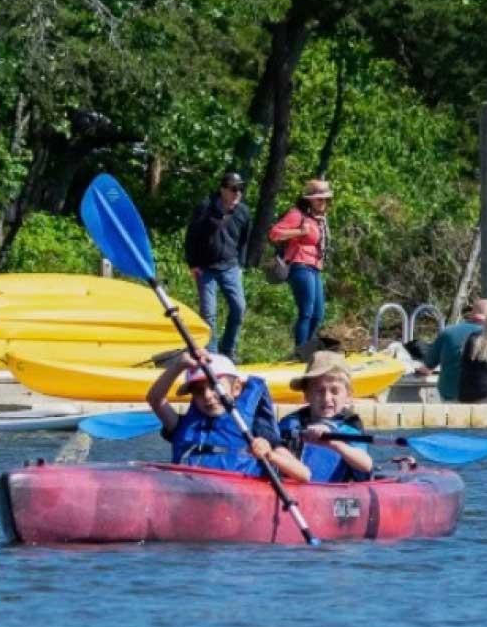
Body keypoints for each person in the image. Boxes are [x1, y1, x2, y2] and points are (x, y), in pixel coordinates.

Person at [147, 351, 308, 480]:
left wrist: (269, 454)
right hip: (189, 503)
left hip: (235, 505)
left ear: (236, 388)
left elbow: (304, 474)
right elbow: (155, 399)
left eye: (214, 386)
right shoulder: (181, 425)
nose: (207, 396)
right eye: (199, 391)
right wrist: (179, 365)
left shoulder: (254, 429)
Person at [278, 350, 373, 482]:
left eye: (335, 391)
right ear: (307, 395)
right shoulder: (289, 424)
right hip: (292, 489)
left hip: (336, 491)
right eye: (319, 391)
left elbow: (366, 465)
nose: (327, 398)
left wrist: (332, 443)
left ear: (348, 395)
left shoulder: (349, 429)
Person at [184, 171, 250, 359]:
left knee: (239, 307)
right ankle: (211, 353)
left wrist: (241, 264)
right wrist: (193, 264)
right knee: (208, 313)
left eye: (241, 188)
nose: (238, 193)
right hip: (205, 268)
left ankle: (228, 348)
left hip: (231, 266)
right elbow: (191, 236)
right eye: (234, 189)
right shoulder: (205, 207)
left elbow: (244, 240)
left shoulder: (243, 211)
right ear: (223, 190)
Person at [268, 178, 332, 349]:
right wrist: (299, 231)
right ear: (310, 200)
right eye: (320, 199)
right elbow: (274, 233)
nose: (323, 202)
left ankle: (307, 348)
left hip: (315, 267)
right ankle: (301, 350)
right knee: (307, 312)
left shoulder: (319, 219)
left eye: (326, 199)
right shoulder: (297, 215)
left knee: (318, 314)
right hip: (300, 264)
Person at [414, 298, 487, 401]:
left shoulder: (448, 332)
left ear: (472, 313)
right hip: (484, 396)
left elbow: (427, 368)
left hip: (451, 395)